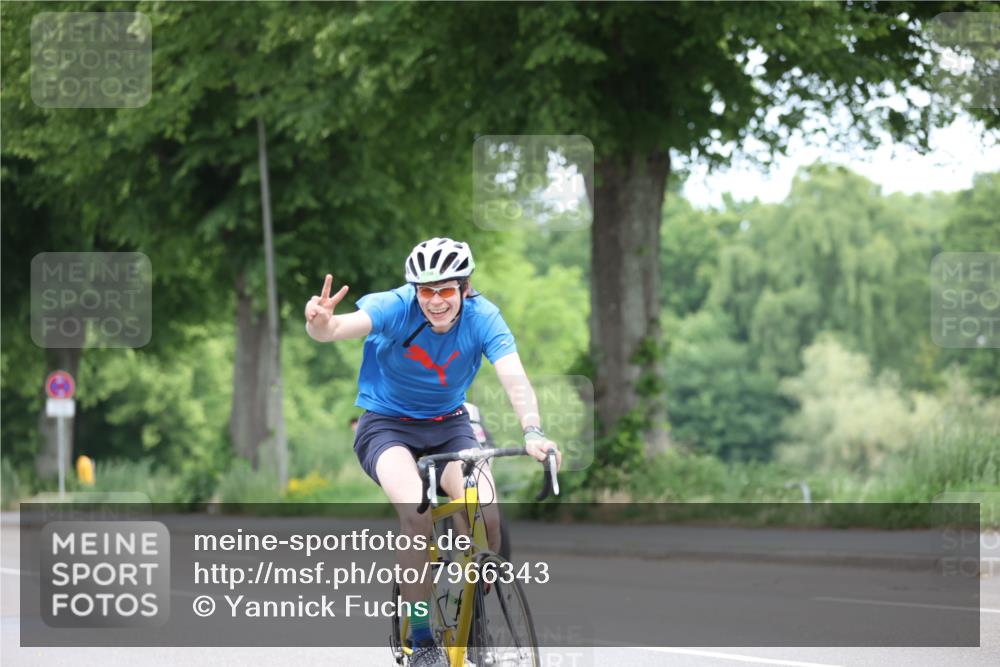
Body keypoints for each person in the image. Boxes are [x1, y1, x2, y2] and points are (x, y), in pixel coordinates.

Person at [304, 237, 560, 667]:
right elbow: (335, 329)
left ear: (465, 287)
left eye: (446, 290)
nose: (436, 301)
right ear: (414, 290)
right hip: (386, 427)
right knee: (417, 514)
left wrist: (533, 430)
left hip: (449, 425)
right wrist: (319, 323)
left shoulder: (484, 317)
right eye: (426, 291)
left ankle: (469, 615)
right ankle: (421, 637)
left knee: (486, 513)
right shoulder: (395, 306)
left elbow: (514, 376)